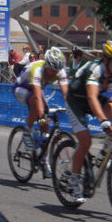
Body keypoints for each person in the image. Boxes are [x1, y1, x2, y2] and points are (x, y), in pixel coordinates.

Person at [64, 40, 112, 203]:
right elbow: (90, 97)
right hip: (76, 100)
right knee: (85, 141)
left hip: (94, 98)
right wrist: (103, 120)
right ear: (106, 60)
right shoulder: (96, 69)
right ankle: (73, 182)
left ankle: (104, 152)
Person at [13, 47, 70, 177]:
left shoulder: (59, 71)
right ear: (47, 65)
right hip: (21, 88)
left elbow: (67, 94)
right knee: (38, 107)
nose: (54, 73)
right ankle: (27, 131)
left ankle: (44, 160)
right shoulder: (38, 69)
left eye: (57, 70)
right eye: (52, 70)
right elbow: (38, 96)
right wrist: (41, 116)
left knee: (45, 128)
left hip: (34, 91)